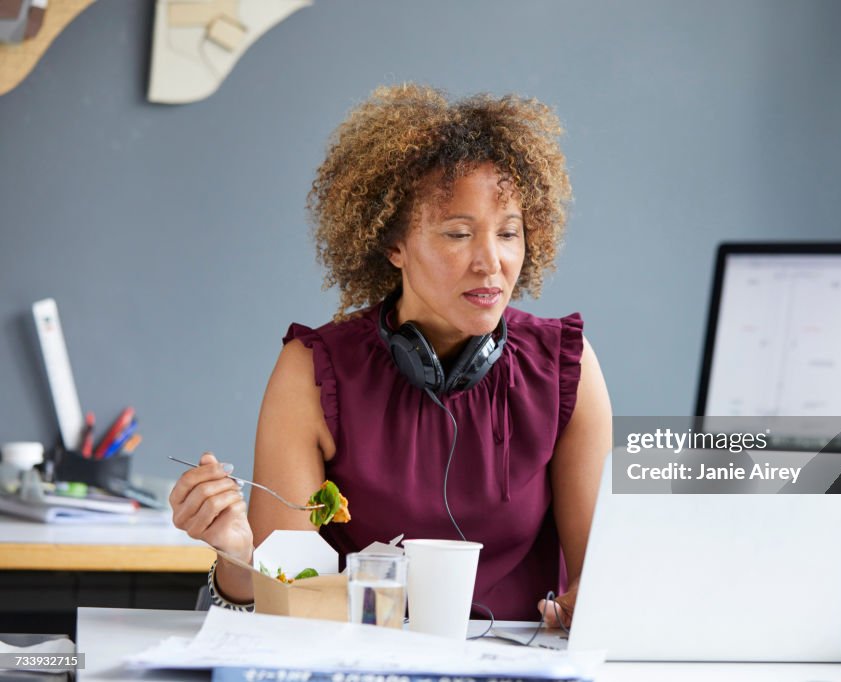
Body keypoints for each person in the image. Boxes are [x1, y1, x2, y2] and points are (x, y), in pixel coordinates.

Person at [169, 83, 612, 625]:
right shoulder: (312, 372)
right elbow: (278, 603)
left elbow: (603, 579)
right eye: (458, 234)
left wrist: (591, 605)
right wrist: (239, 558)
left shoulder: (566, 367)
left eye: (509, 234)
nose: (490, 261)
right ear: (393, 245)